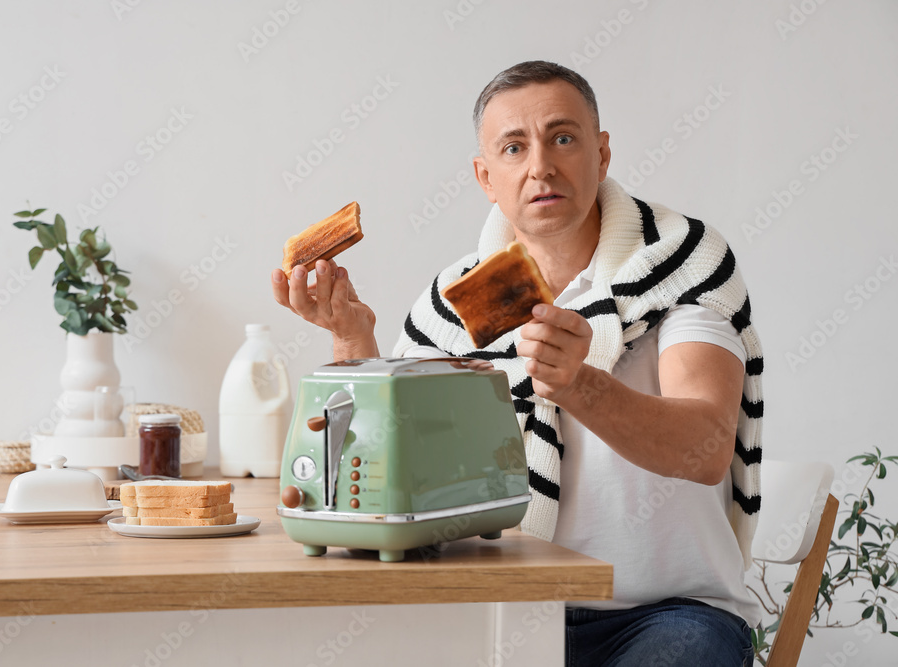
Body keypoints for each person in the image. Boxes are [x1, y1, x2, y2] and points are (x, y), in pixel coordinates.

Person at [272, 60, 762, 667]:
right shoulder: (454, 302)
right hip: (501, 606)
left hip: (671, 612)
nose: (541, 167)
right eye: (513, 147)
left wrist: (579, 385)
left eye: (563, 138)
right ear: (485, 177)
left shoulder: (682, 260)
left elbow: (707, 447)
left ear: (602, 154)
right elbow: (398, 470)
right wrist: (353, 341)